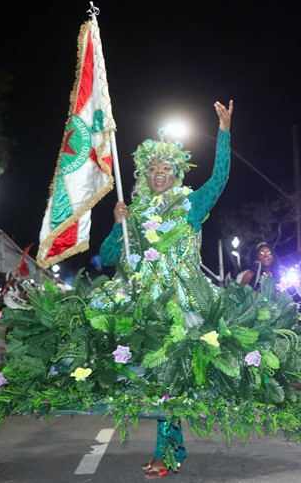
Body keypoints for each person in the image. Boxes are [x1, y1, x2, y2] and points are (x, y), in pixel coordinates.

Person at [102, 100, 233, 478]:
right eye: (152, 168)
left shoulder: (191, 205)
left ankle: (165, 453)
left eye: (166, 168)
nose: (159, 173)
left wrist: (223, 135)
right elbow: (110, 255)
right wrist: (117, 224)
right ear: (144, 174)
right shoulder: (136, 213)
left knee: (169, 379)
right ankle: (173, 448)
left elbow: (220, 178)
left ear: (177, 174)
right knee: (155, 380)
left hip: (184, 303)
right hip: (143, 303)